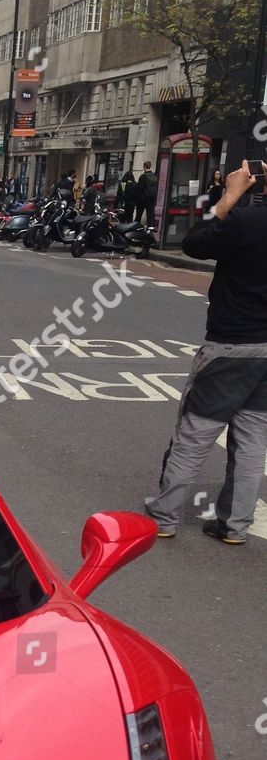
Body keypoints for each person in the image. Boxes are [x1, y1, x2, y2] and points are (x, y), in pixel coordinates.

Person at [144, 161, 267, 546]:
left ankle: (163, 518)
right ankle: (235, 525)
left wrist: (229, 195)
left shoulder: (247, 221)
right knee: (252, 440)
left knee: (195, 433)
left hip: (231, 344)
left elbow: (195, 243)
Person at [136, 161, 158, 227]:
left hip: (143, 199)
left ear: (144, 167)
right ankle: (150, 228)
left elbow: (139, 188)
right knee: (150, 214)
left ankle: (136, 227)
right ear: (150, 166)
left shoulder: (143, 176)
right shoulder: (155, 176)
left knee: (139, 214)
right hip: (152, 198)